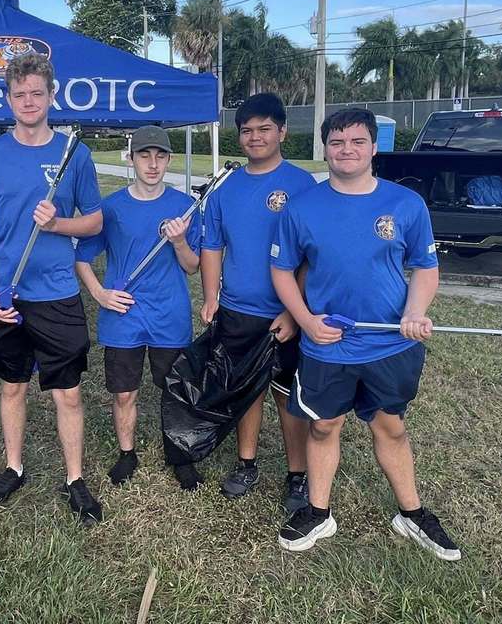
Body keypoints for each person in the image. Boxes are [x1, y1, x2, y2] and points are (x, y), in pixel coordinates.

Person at [271, 107, 461, 561]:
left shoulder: (405, 205)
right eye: (337, 142)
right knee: (323, 425)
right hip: (327, 344)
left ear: (374, 147)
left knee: (390, 426)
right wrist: (305, 320)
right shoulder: (303, 207)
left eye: (357, 141)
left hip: (390, 344)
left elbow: (426, 269)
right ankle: (319, 511)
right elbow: (282, 271)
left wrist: (415, 310)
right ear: (325, 148)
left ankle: (411, 514)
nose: (347, 150)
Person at [0, 52, 105, 525]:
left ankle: (74, 478)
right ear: (8, 99)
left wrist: (59, 223)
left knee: (68, 393)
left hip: (56, 292)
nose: (28, 101)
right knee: (12, 386)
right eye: (19, 94)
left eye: (36, 93)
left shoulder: (72, 154)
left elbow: (95, 220)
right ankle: (14, 466)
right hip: (6, 294)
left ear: (50, 96)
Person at [199, 92, 315, 507]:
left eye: (265, 128)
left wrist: (293, 310)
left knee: (287, 395)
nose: (255, 137)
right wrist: (211, 296)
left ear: (282, 131)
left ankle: (297, 475)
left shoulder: (302, 186)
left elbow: (310, 256)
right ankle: (246, 464)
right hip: (236, 310)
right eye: (247, 130)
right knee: (246, 391)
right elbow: (212, 245)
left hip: (285, 316)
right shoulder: (225, 188)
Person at [75, 126, 201, 487]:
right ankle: (127, 453)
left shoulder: (183, 208)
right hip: (123, 317)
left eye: (160, 156)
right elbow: (82, 257)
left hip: (169, 316)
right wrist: (99, 294)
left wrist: (178, 241)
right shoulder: (111, 209)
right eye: (144, 155)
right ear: (131, 159)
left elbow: (192, 266)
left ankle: (180, 455)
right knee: (124, 391)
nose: (152, 164)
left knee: (175, 390)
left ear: (168, 161)